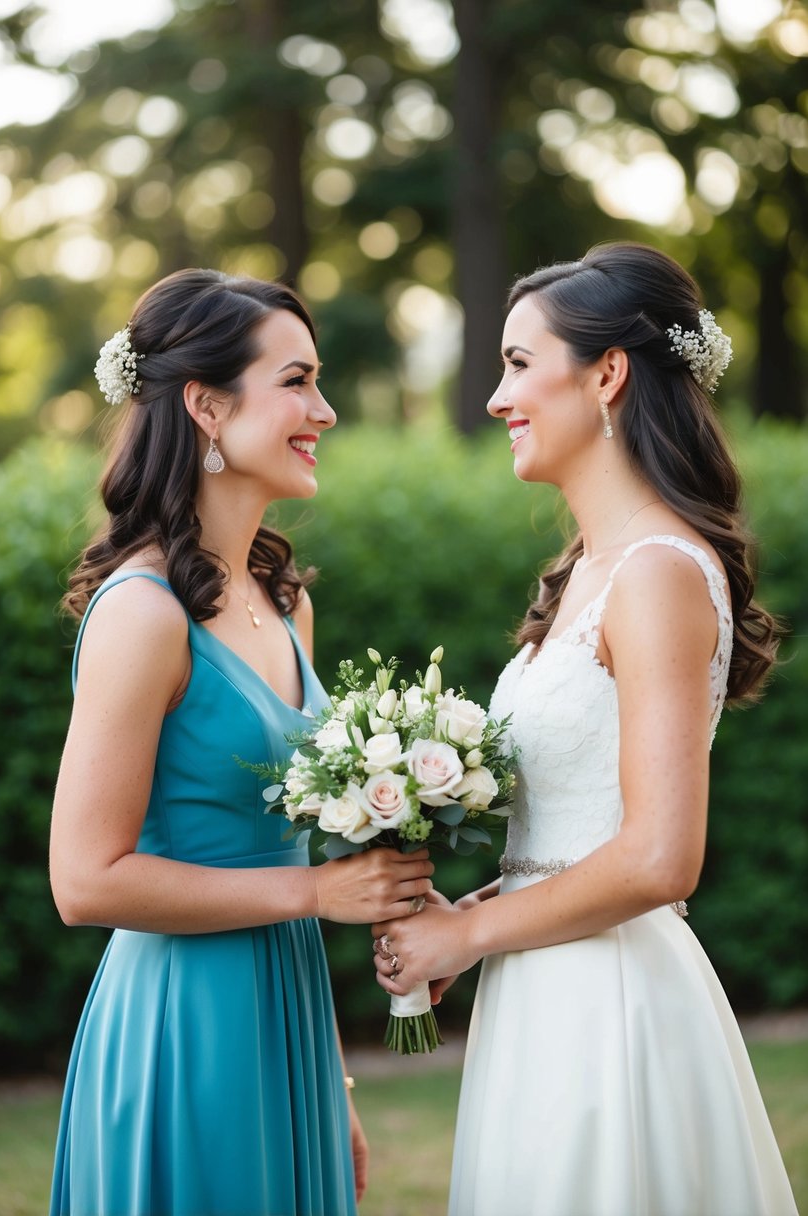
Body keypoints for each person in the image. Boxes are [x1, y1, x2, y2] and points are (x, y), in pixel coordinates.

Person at [372, 243, 798, 1215]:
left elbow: (656, 856)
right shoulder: (586, 572)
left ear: (606, 373)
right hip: (540, 989)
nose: (494, 397)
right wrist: (460, 926)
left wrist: (469, 931)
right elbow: (573, 837)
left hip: (607, 1003)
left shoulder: (653, 573)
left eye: (519, 364)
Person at [48, 268, 434, 1216]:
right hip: (182, 1021)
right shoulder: (142, 614)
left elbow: (300, 837)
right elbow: (84, 879)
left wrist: (331, 1083)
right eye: (296, 382)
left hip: (287, 1014)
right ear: (207, 405)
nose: (326, 410)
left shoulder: (288, 604)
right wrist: (315, 892)